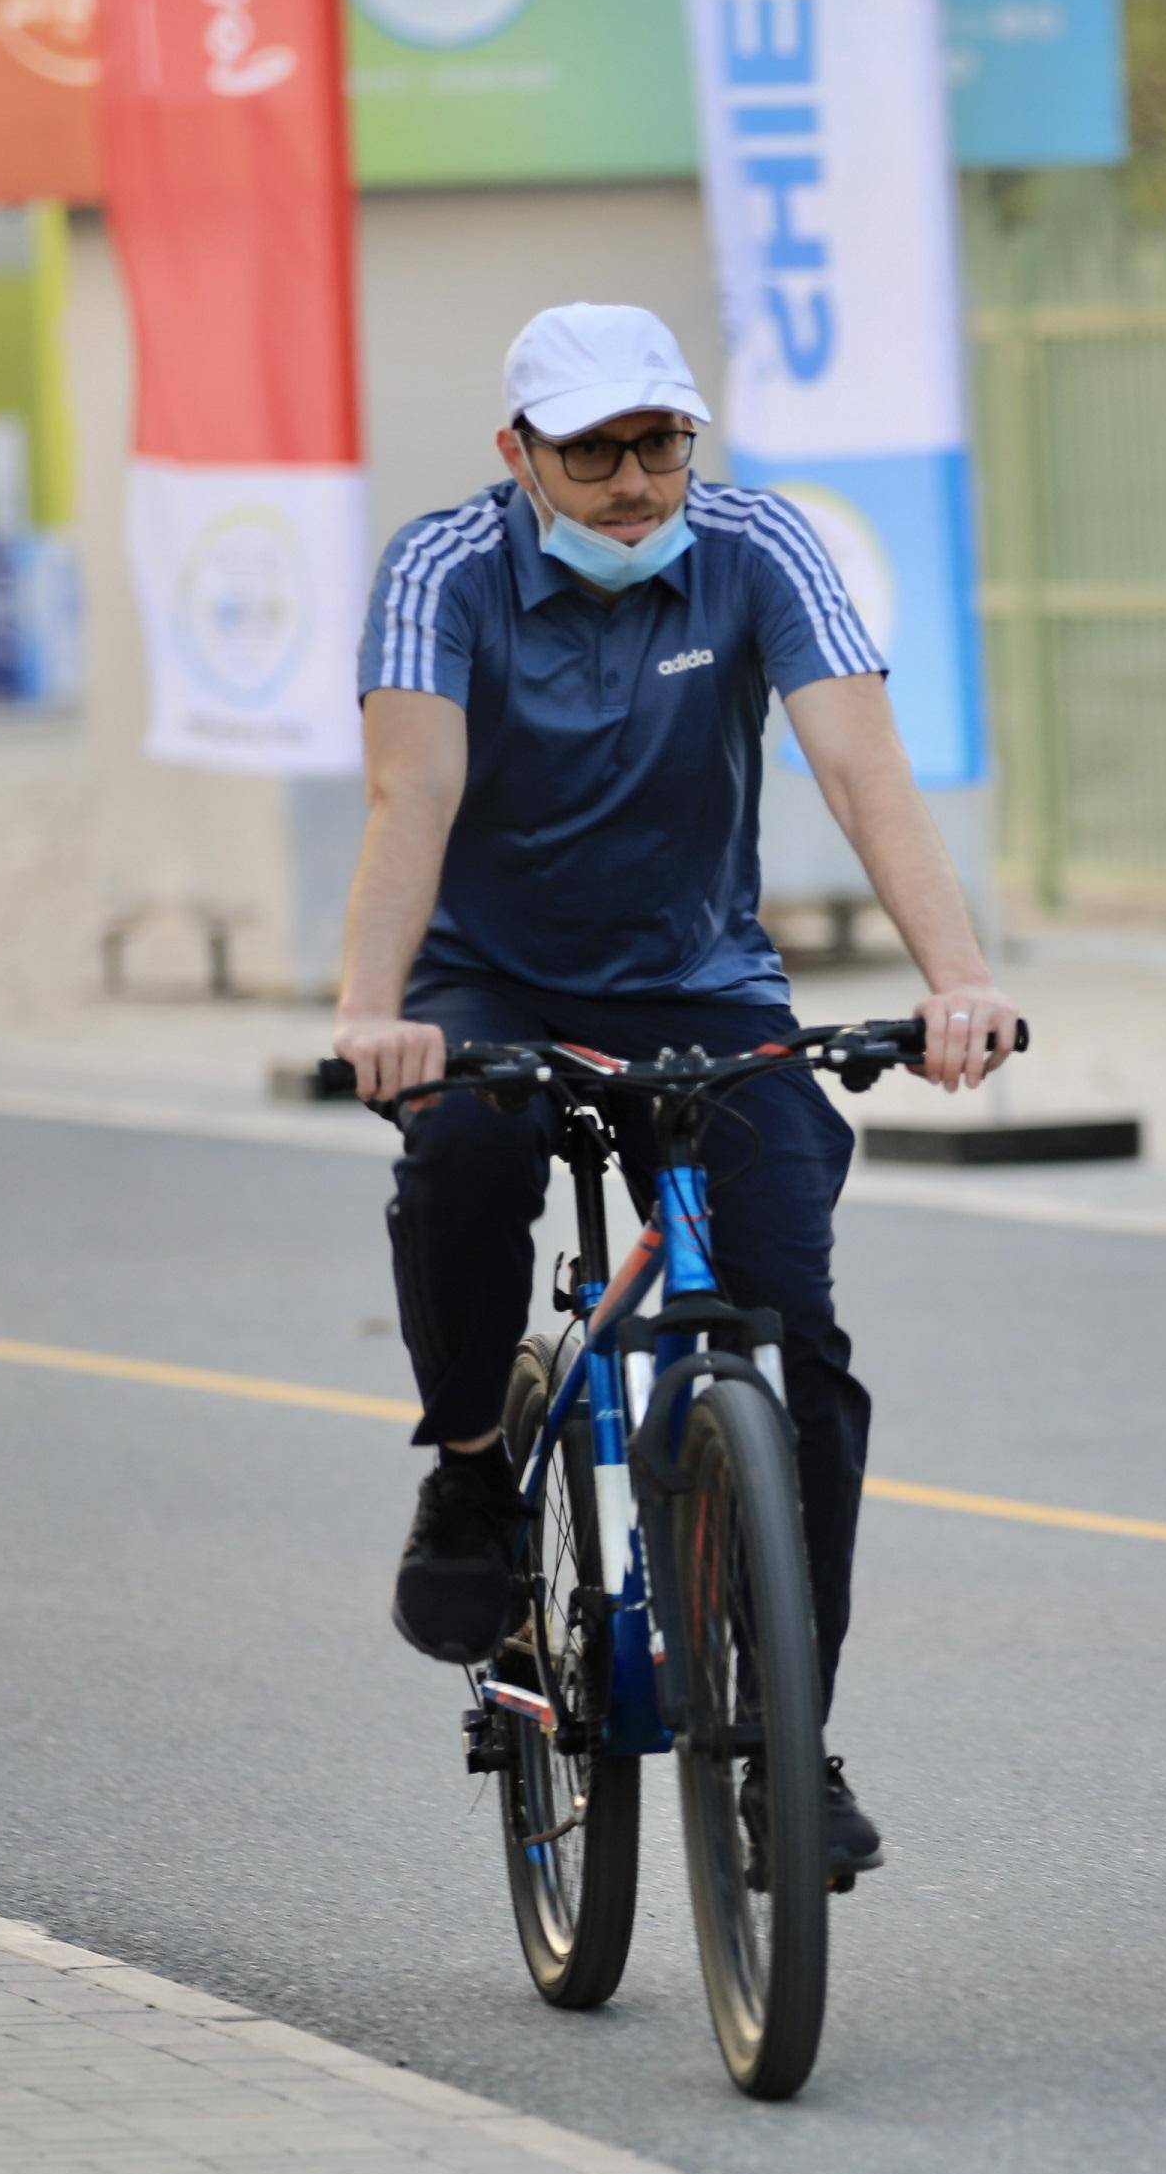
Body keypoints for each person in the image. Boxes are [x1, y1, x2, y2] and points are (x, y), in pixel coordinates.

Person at [334, 302, 1019, 1876]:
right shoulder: (443, 570)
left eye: (661, 443)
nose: (638, 481)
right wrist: (375, 1015)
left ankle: (788, 1737)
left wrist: (956, 979)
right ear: (520, 455)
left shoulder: (761, 541)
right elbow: (410, 791)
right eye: (593, 453)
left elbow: (862, 769)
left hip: (698, 981)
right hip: (487, 986)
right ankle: (467, 1474)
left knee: (798, 1335)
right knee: (460, 1169)